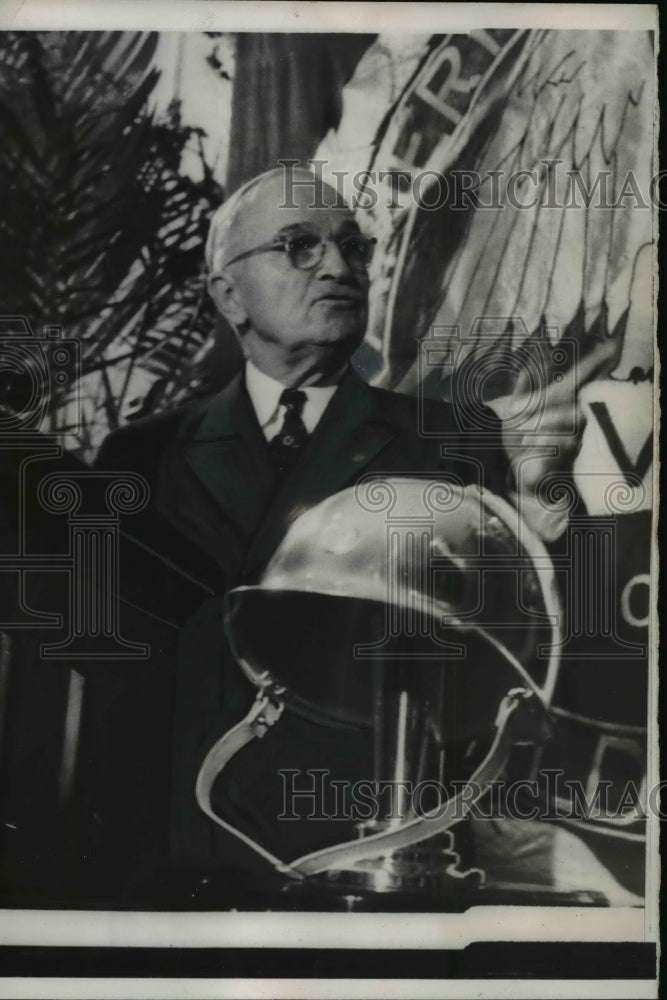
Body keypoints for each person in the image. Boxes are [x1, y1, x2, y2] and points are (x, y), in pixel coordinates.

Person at [93, 167, 584, 898]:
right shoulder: (141, 457)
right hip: (189, 866)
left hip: (379, 864)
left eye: (353, 248)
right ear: (228, 294)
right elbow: (110, 696)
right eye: (298, 246)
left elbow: (521, 652)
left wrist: (539, 501)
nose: (337, 267)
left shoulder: (454, 439)